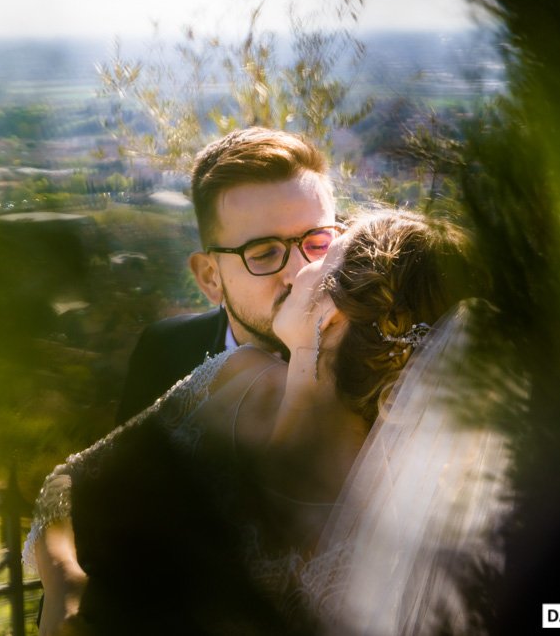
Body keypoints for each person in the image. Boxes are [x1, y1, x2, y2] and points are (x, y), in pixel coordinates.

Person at [27, 210, 510, 635]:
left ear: (330, 318)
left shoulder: (392, 541)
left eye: (324, 255)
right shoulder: (229, 380)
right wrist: (66, 579)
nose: (299, 268)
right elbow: (66, 485)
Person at [115, 127, 339, 425]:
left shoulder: (380, 360)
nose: (300, 272)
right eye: (264, 254)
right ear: (211, 277)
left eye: (318, 244)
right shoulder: (163, 351)